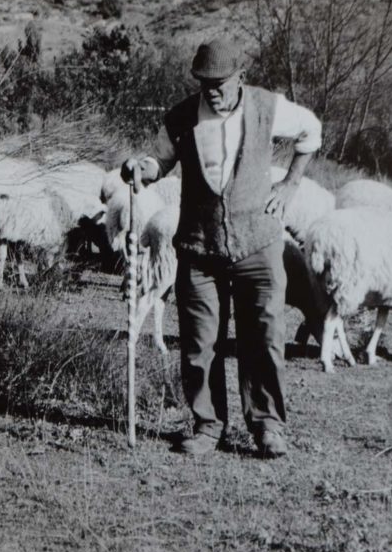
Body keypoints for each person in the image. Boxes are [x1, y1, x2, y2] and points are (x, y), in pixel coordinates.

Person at [122, 38, 322, 458]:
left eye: (219, 82)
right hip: (198, 247)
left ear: (240, 78)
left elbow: (311, 132)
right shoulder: (181, 117)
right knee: (199, 342)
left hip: (258, 244)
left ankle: (267, 426)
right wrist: (140, 169)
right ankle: (207, 426)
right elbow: (158, 161)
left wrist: (290, 185)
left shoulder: (269, 107)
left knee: (264, 337)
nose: (211, 90)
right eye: (203, 82)